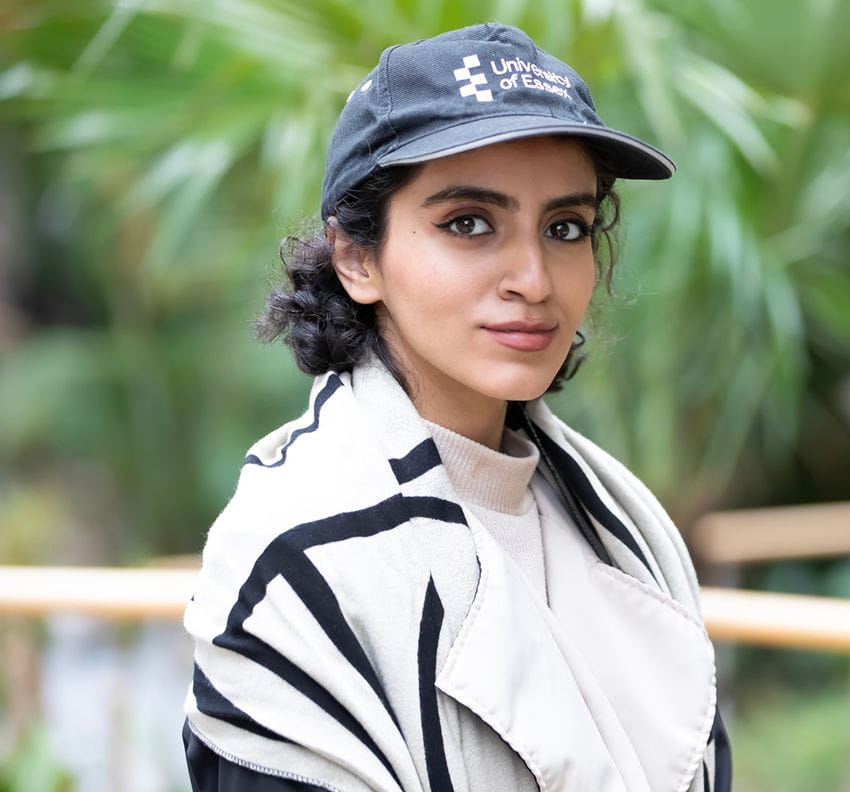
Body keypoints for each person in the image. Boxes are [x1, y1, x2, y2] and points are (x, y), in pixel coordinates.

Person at [181, 22, 732, 792]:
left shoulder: (627, 526)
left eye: (565, 227)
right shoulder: (296, 557)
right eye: (469, 223)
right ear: (357, 257)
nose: (534, 279)